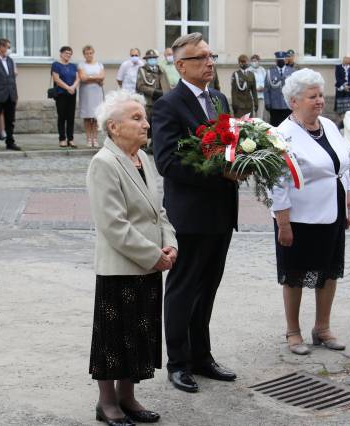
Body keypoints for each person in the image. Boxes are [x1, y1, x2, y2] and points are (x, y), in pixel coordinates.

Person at [152, 32, 239, 394]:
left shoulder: (219, 99)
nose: (210, 62)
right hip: (190, 215)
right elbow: (168, 162)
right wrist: (217, 170)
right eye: (201, 57)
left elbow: (231, 145)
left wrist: (242, 162)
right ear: (180, 65)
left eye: (211, 55)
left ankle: (202, 356)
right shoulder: (168, 105)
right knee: (183, 289)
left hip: (221, 213)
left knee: (208, 288)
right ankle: (179, 363)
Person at [87, 90, 177, 426]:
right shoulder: (104, 163)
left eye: (144, 117)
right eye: (136, 118)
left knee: (138, 335)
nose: (146, 123)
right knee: (114, 337)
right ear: (113, 127)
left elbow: (160, 212)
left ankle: (128, 397)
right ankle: (107, 402)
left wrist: (171, 245)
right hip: (121, 267)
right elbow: (113, 225)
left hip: (151, 265)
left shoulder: (144, 160)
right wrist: (154, 256)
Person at [269, 68, 350, 356]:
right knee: (295, 274)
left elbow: (343, 168)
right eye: (312, 96)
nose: (319, 101)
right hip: (298, 218)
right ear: (294, 101)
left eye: (321, 95)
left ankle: (323, 327)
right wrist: (283, 222)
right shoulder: (282, 134)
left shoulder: (329, 125)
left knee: (329, 271)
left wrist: (349, 204)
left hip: (332, 211)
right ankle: (293, 331)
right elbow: (276, 182)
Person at [51, 46, 80, 148]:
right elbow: (56, 79)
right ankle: (62, 139)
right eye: (66, 53)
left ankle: (70, 139)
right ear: (61, 54)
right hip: (61, 93)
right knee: (62, 116)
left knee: (71, 117)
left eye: (70, 53)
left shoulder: (73, 66)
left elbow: (77, 78)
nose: (68, 55)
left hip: (72, 93)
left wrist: (73, 87)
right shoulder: (56, 65)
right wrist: (68, 87)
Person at [78, 45, 105, 148]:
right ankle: (89, 138)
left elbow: (102, 76)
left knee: (96, 116)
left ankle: (95, 138)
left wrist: (90, 77)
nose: (89, 55)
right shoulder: (81, 65)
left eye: (90, 53)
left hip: (97, 92)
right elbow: (83, 78)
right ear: (84, 54)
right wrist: (96, 79)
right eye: (86, 53)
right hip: (86, 93)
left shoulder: (99, 64)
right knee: (88, 117)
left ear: (93, 53)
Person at [136, 49, 170, 126]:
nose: (152, 60)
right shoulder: (142, 70)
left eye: (154, 58)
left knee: (159, 124)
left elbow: (166, 84)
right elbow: (140, 86)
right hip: (148, 103)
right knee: (147, 124)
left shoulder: (161, 70)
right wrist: (154, 92)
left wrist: (164, 93)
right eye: (150, 58)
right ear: (146, 60)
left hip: (160, 101)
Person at [265, 51, 295, 126]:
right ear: (276, 61)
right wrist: (267, 102)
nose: (280, 61)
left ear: (285, 60)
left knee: (288, 126)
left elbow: (295, 89)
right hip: (274, 105)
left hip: (287, 105)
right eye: (279, 60)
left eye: (282, 60)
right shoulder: (270, 72)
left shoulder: (291, 71)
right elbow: (266, 89)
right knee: (275, 126)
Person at [249, 54, 267, 120]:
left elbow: (266, 81)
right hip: (252, 97)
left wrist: (263, 87)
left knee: (260, 116)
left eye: (256, 61)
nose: (254, 62)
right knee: (252, 116)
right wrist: (255, 89)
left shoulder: (262, 70)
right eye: (253, 61)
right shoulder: (248, 70)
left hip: (261, 96)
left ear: (259, 61)